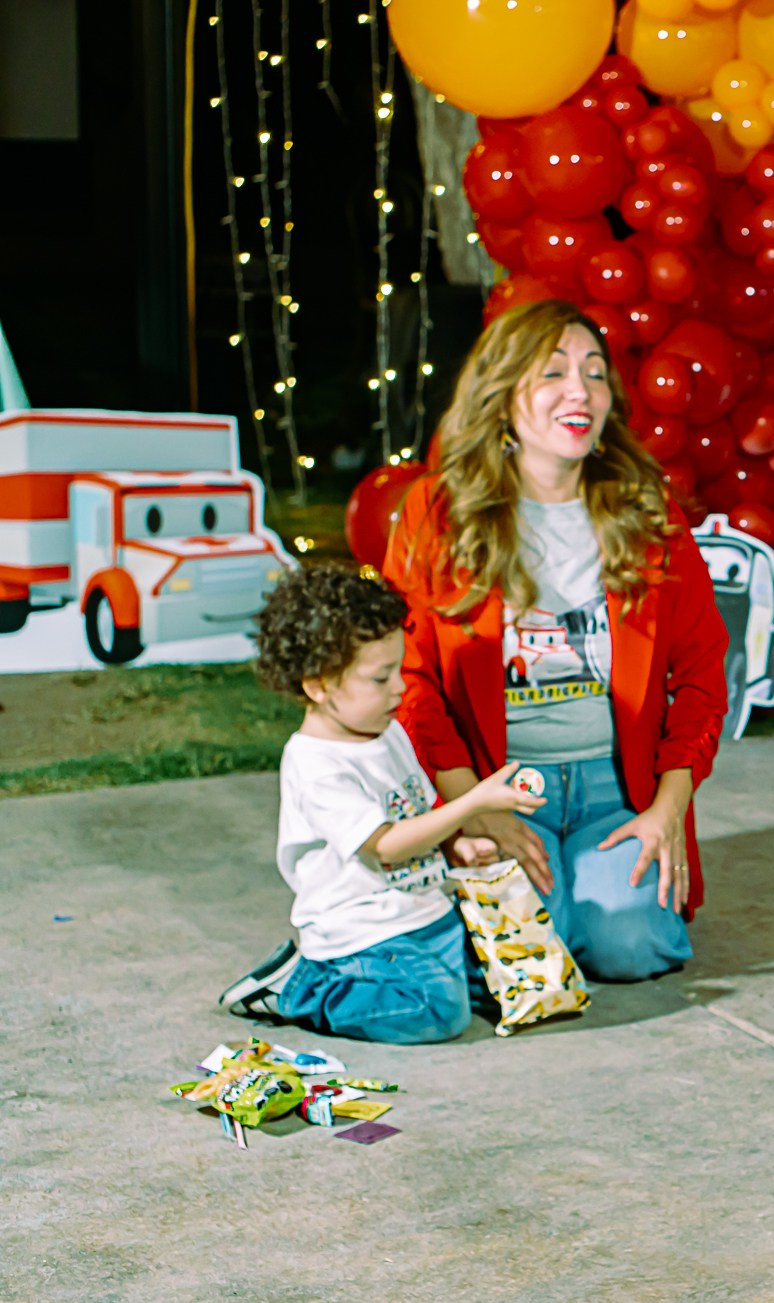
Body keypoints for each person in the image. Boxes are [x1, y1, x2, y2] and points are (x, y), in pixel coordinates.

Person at [384, 300, 729, 983]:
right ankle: (551, 901)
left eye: (595, 374)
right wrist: (468, 809)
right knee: (527, 961)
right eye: (553, 373)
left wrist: (667, 807)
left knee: (630, 946)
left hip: (615, 787)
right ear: (503, 395)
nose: (581, 391)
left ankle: (591, 896)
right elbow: (410, 680)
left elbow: (700, 673)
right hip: (497, 784)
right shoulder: (437, 514)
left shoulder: (645, 510)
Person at [217, 563, 543, 1042]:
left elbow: (414, 816)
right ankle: (299, 987)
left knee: (510, 983)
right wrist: (474, 804)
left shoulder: (386, 731)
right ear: (318, 684)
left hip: (426, 908)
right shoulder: (316, 764)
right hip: (363, 936)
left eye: (399, 669)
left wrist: (456, 848)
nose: (399, 687)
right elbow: (385, 845)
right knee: (438, 1013)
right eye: (379, 677)